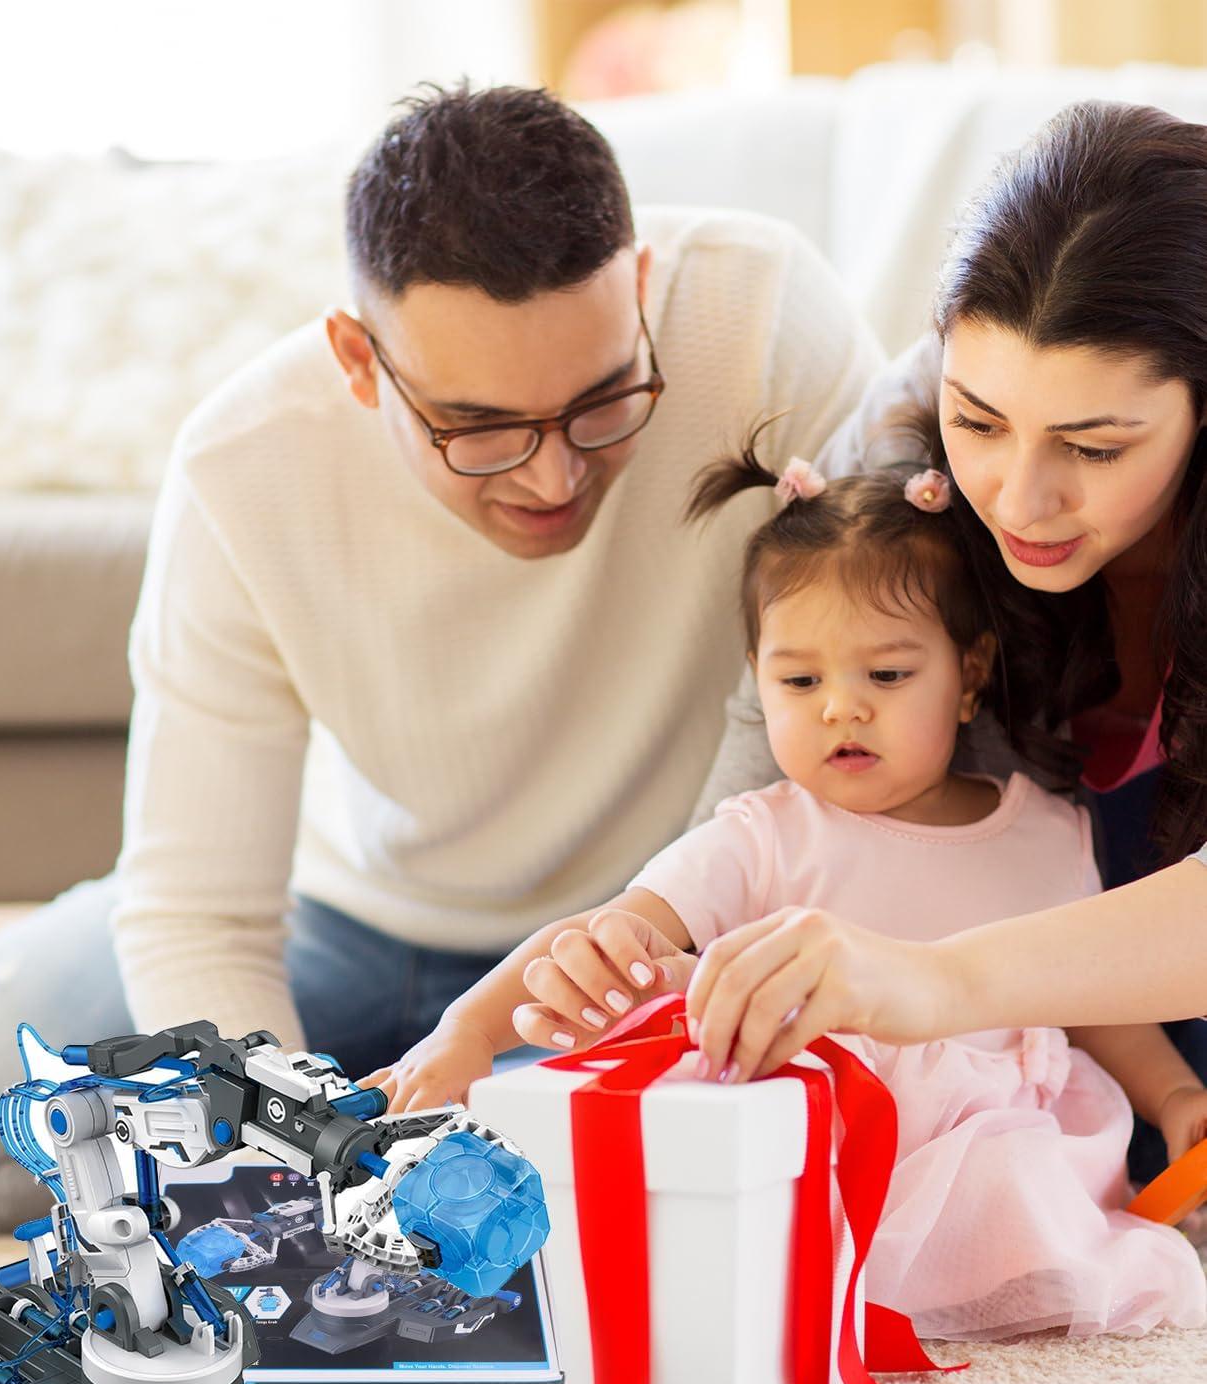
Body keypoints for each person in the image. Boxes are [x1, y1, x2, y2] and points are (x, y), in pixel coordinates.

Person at [0, 83, 882, 1250]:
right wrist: (283, 1173)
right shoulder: (243, 466)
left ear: (640, 289)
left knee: (516, 1225)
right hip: (335, 920)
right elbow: (199, 913)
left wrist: (640, 964)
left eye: (602, 403)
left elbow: (844, 696)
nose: (553, 477)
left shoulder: (762, 318)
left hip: (623, 956)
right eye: (480, 428)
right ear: (358, 360)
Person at [365, 436, 1206, 1338]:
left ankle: (1005, 1289)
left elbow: (1091, 1002)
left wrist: (1172, 1096)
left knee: (1049, 1214)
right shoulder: (762, 835)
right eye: (801, 680)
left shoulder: (1046, 829)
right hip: (817, 1155)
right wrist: (467, 1032)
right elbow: (599, 938)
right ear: (759, 681)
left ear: (968, 677)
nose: (842, 706)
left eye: (888, 674)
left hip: (1014, 1153)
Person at [652, 101, 1207, 1134]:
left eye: (1094, 448)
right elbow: (768, 744)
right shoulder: (910, 436)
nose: (1019, 500)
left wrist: (933, 978)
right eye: (979, 424)